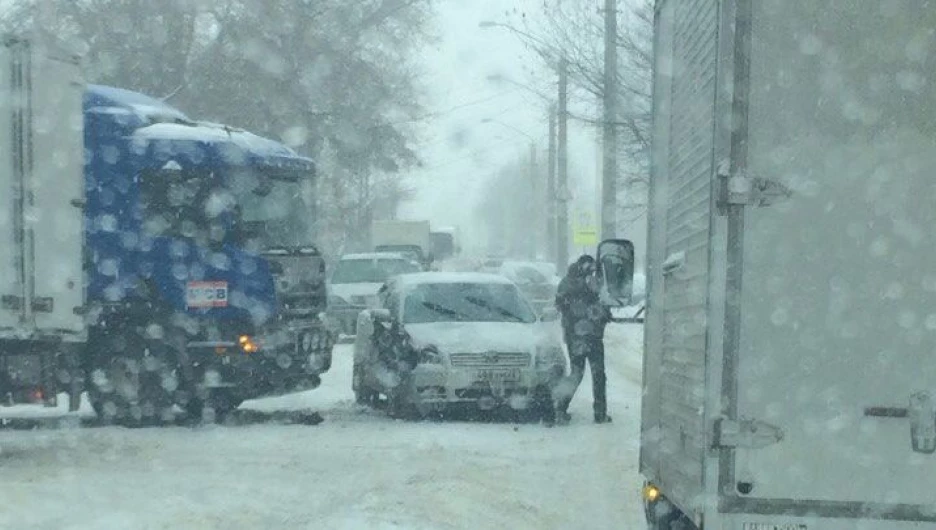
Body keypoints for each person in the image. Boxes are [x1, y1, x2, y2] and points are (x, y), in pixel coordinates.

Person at [553, 254, 612, 424]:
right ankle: (595, 413)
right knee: (590, 374)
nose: (590, 272)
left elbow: (602, 307)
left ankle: (562, 409)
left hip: (583, 336)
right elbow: (561, 304)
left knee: (587, 374)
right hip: (581, 336)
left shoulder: (583, 283)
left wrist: (602, 313)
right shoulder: (573, 282)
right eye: (588, 269)